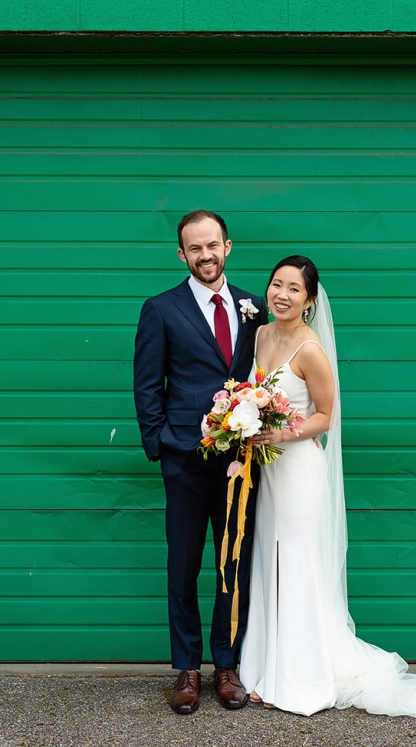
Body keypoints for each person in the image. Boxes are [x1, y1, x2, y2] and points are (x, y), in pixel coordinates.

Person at [237, 255, 416, 718]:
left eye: (294, 289)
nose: (282, 295)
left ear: (310, 300)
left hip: (297, 470)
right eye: (276, 284)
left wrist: (282, 433)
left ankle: (300, 679)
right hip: (267, 471)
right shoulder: (262, 334)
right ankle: (264, 668)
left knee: (296, 562)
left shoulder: (310, 349)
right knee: (269, 561)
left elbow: (325, 417)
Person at [133, 210, 268, 715]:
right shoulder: (160, 309)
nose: (205, 255)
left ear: (227, 247)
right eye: (195, 248)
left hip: (242, 462)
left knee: (234, 564)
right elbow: (148, 385)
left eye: (212, 245)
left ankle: (226, 666)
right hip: (185, 461)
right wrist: (160, 446)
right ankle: (188, 669)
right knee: (184, 565)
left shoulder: (256, 307)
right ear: (182, 254)